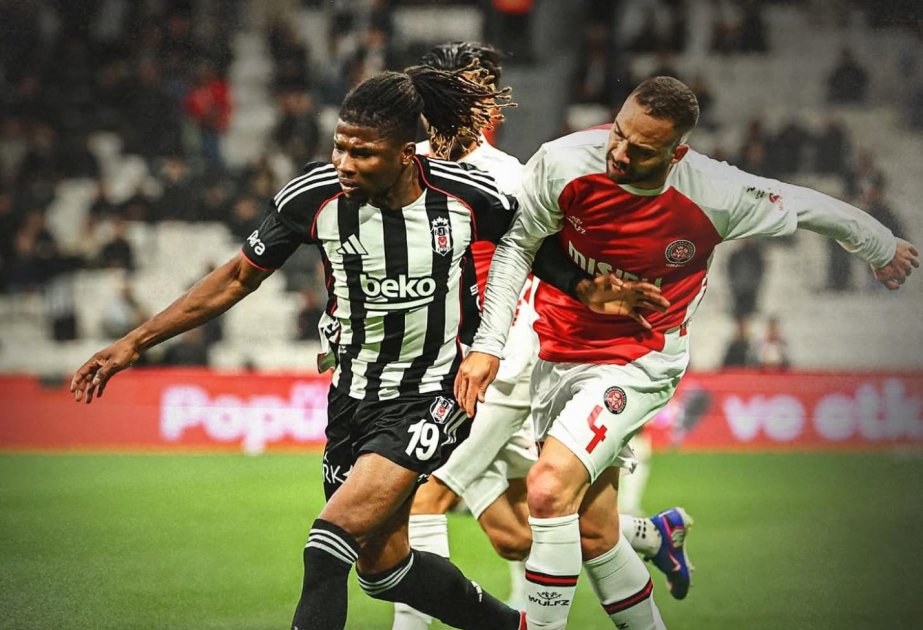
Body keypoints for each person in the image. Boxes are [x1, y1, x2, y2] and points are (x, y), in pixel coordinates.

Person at [70, 66, 663, 630]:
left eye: (362, 153)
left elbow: (531, 246)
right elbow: (236, 277)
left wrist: (588, 289)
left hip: (433, 394)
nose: (344, 163)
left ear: (406, 153)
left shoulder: (466, 196)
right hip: (351, 397)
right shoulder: (313, 197)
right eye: (340, 147)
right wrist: (134, 342)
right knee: (384, 570)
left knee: (326, 546)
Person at [455, 76, 919, 630]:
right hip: (558, 352)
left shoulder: (715, 193)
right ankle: (658, 556)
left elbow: (806, 204)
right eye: (619, 133)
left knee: (549, 488)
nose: (619, 153)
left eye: (641, 149)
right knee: (595, 531)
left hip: (640, 358)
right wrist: (490, 345)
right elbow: (518, 246)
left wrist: (880, 246)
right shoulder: (564, 161)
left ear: (676, 154)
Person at [394, 43, 694, 630]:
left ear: (485, 109)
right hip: (443, 365)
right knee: (517, 534)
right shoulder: (411, 168)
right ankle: (651, 534)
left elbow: (546, 261)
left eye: (469, 99)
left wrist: (590, 294)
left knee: (421, 499)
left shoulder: (511, 176)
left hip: (503, 370)